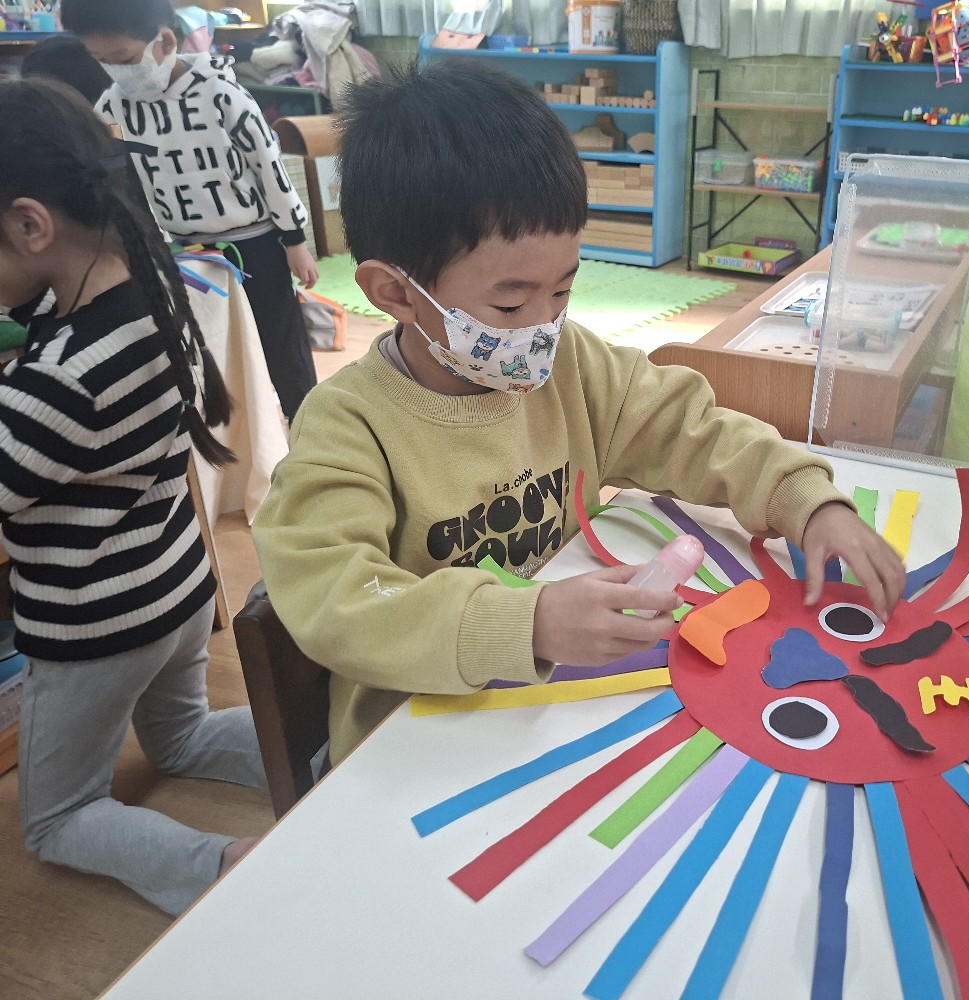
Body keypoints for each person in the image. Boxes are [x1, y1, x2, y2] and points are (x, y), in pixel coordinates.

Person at [251, 61, 908, 767]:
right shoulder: (348, 425)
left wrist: (801, 498)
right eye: (510, 303)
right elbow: (335, 598)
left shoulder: (572, 363)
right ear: (395, 293)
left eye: (562, 291)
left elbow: (690, 429)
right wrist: (525, 621)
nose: (543, 326)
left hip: (555, 703)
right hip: (416, 739)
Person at [0, 78, 267, 915]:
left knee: (59, 818)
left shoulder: (57, 384)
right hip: (177, 590)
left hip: (97, 627)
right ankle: (337, 747)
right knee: (182, 736)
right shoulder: (157, 294)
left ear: (31, 225)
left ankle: (224, 866)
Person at [61, 0, 320, 425]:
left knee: (279, 341)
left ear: (164, 41)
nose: (116, 71)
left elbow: (269, 168)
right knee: (212, 343)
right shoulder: (115, 104)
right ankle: (241, 430)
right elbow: (95, 158)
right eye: (101, 60)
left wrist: (294, 240)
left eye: (123, 58)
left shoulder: (222, 95)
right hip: (186, 252)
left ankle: (308, 423)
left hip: (254, 243)